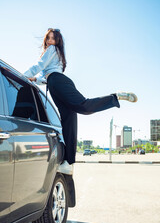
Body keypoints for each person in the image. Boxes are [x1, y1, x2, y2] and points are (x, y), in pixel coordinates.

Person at [24, 28, 137, 175]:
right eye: (48, 38)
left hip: (58, 83)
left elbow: (38, 67)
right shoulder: (55, 53)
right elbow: (48, 75)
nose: (49, 41)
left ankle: (115, 97)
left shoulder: (52, 49)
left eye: (53, 39)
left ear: (58, 42)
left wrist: (21, 76)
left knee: (84, 107)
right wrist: (35, 79)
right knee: (68, 121)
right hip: (55, 83)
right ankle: (68, 163)